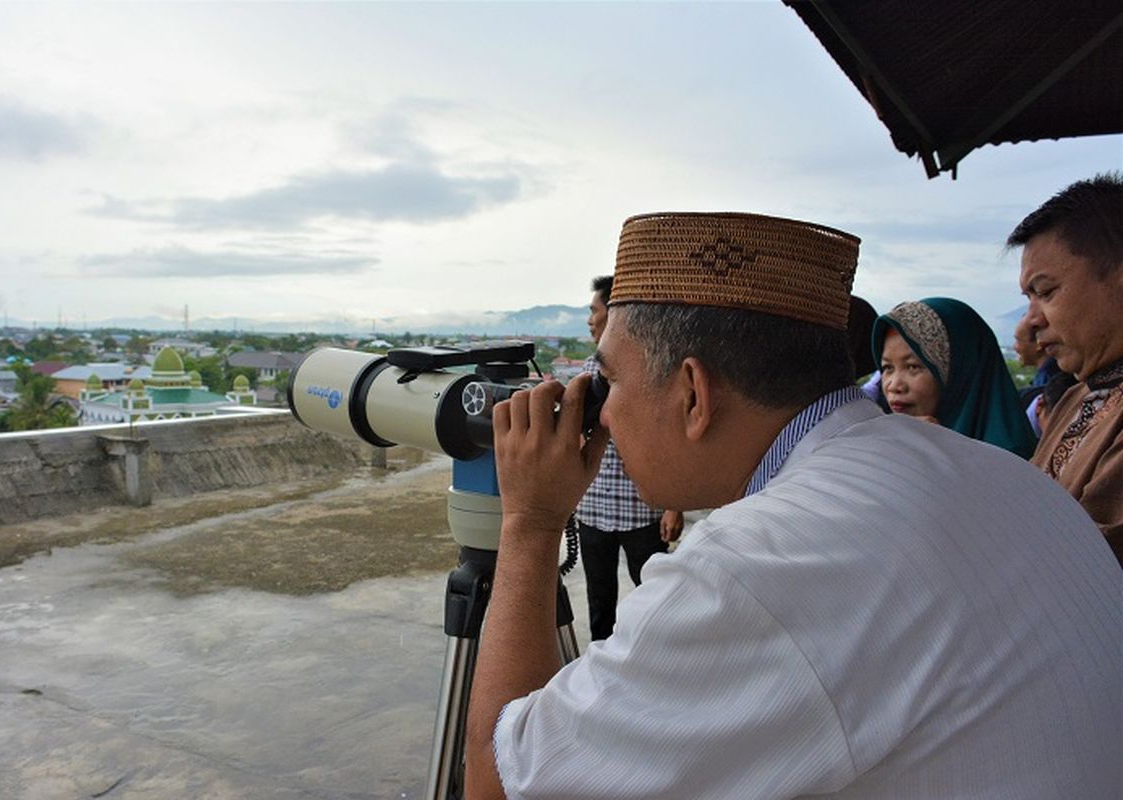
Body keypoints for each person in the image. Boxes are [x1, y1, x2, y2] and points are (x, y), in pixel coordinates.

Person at [465, 212, 1120, 799]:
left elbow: (502, 781)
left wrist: (530, 523)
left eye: (608, 380)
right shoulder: (992, 471)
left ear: (694, 394)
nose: (599, 411)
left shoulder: (751, 568)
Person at [1010, 172, 1123, 566]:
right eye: (1028, 298)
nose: (1032, 320)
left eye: (1046, 292)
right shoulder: (1078, 394)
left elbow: (1088, 561)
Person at [577, 274, 683, 641]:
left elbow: (670, 439)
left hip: (643, 510)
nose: (590, 320)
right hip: (593, 511)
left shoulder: (653, 372)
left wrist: (673, 505)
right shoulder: (587, 375)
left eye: (595, 311)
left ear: (616, 313)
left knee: (656, 601)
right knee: (599, 604)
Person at [872, 297, 1036, 458]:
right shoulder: (891, 442)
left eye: (913, 367)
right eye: (888, 368)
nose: (894, 386)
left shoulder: (1009, 458)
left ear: (962, 370)